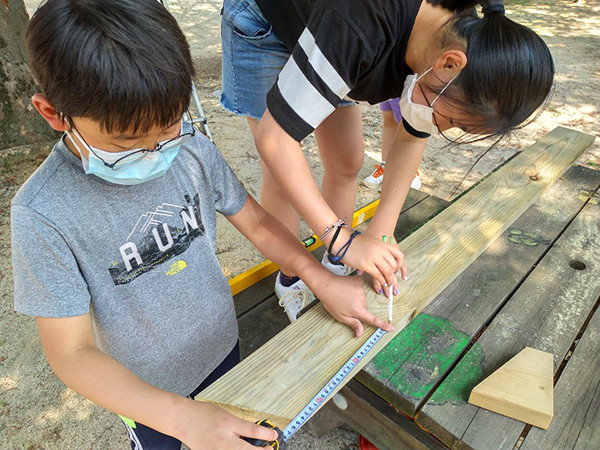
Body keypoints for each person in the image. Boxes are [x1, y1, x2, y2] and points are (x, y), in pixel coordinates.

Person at [11, 1, 394, 449]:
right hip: (146, 394)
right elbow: (72, 353)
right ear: (53, 113)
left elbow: (256, 221)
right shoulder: (42, 213)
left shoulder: (190, 149)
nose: (157, 152)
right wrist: (183, 420)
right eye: (129, 142)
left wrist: (314, 276)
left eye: (169, 127)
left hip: (222, 347)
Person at [220, 0, 554, 311]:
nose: (444, 129)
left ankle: (335, 265)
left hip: (331, 32)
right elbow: (276, 140)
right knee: (281, 177)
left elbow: (411, 135)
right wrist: (342, 240)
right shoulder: (359, 27)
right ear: (449, 63)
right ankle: (295, 276)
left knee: (348, 159)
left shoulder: (457, 36)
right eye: (453, 120)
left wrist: (381, 230)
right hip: (269, 20)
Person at [363, 98, 422, 189]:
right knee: (389, 117)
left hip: (406, 88)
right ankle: (386, 166)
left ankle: (410, 172)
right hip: (389, 86)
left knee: (406, 126)